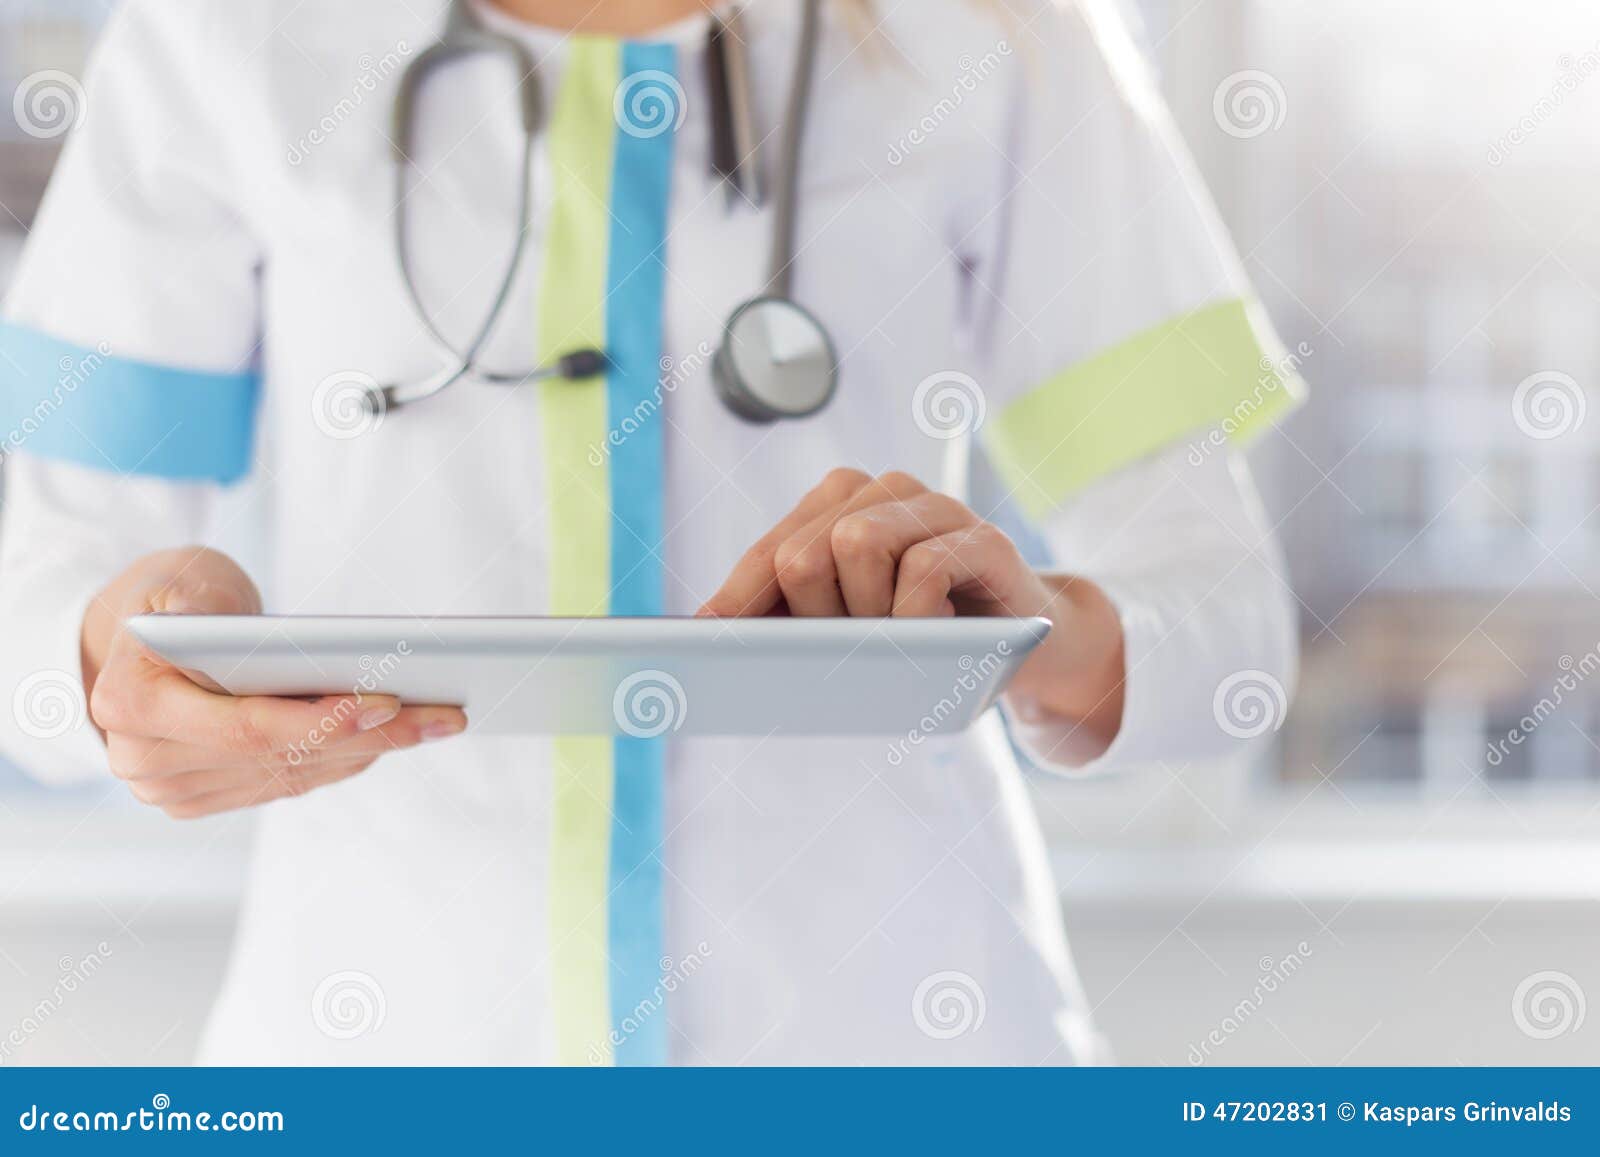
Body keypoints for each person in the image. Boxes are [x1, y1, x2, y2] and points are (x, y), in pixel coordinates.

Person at [0, 0, 1303, 1064]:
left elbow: (1232, 639)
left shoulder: (1002, 35)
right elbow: (36, 612)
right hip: (388, 1056)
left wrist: (1039, 633)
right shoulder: (216, 36)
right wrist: (116, 660)